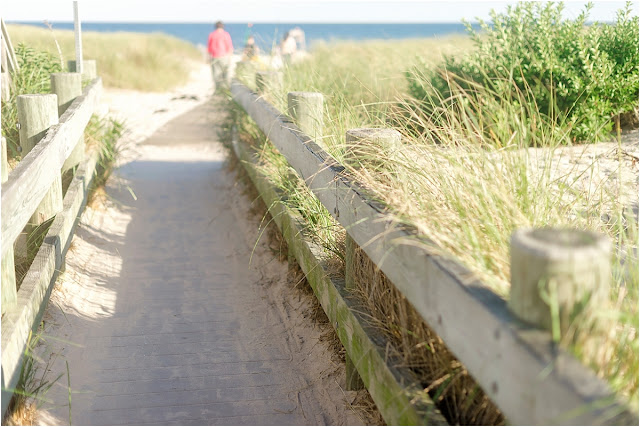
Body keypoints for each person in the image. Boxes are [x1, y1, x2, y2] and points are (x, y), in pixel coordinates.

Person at [207, 21, 234, 93]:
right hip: (224, 56)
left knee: (216, 75)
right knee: (225, 74)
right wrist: (230, 57)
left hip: (214, 57)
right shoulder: (226, 34)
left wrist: (208, 58)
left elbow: (209, 48)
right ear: (223, 27)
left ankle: (218, 90)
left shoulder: (212, 35)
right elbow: (230, 47)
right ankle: (225, 90)